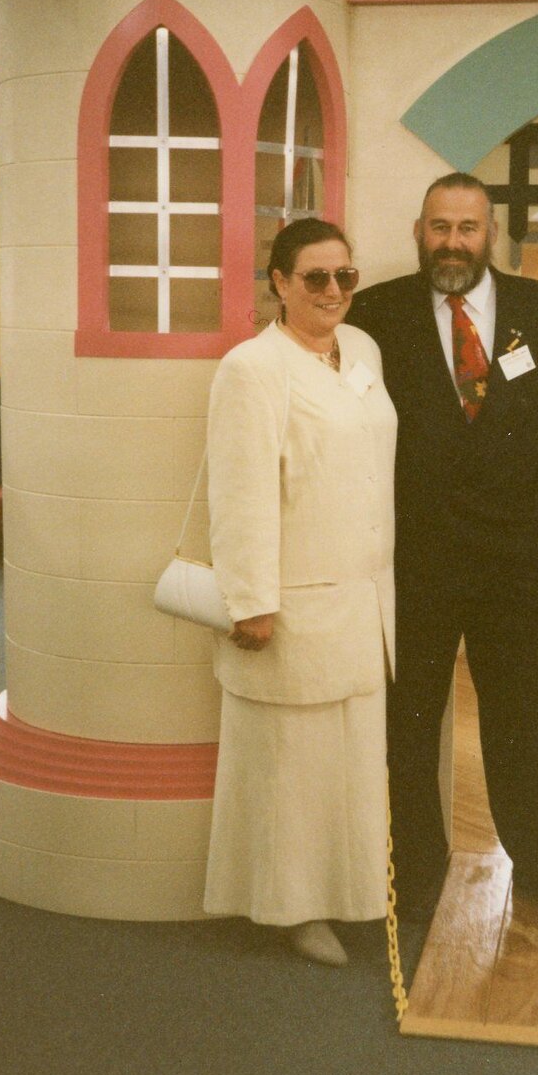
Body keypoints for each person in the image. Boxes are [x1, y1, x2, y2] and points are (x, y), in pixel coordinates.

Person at [347, 172, 538, 921]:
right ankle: (415, 870)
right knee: (409, 723)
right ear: (418, 232)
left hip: (517, 564)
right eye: (438, 226)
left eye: (467, 227)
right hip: (415, 564)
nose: (452, 241)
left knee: (523, 719)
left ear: (491, 233)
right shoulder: (374, 316)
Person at [203, 218, 397, 967]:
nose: (333, 291)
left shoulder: (365, 353)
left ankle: (346, 897)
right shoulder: (252, 368)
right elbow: (239, 489)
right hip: (291, 600)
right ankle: (291, 909)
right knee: (290, 766)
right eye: (315, 277)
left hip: (362, 598)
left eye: (345, 276)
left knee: (348, 764)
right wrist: (250, 597)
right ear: (279, 282)